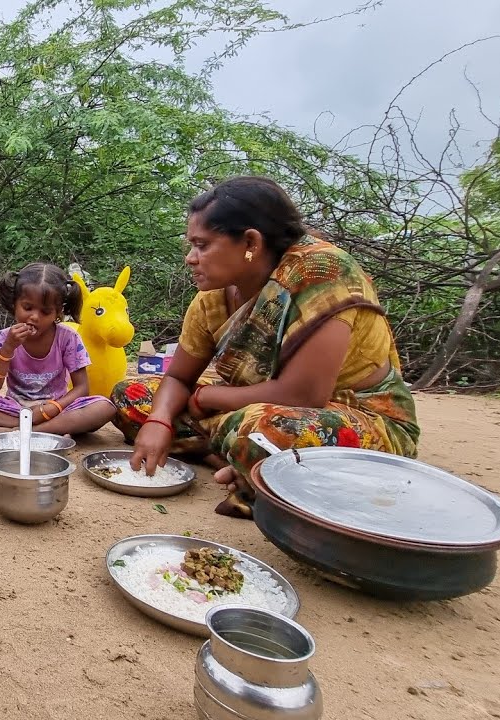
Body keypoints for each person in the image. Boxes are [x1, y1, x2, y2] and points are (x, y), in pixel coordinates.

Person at [110, 176, 420, 518]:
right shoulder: (213, 298)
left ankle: (242, 454)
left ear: (251, 242)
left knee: (262, 429)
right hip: (247, 406)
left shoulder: (321, 272)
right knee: (133, 394)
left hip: (346, 415)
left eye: (202, 245)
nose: (190, 258)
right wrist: (160, 421)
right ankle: (241, 458)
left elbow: (303, 395)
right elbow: (179, 377)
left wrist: (205, 399)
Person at [0, 262, 116, 435]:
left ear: (58, 313)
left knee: (104, 407)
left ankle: (15, 431)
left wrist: (53, 407)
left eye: (45, 312)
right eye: (27, 308)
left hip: (56, 409)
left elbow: (82, 388)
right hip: (14, 409)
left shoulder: (67, 338)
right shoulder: (4, 338)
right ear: (14, 304)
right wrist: (8, 349)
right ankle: (38, 430)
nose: (34, 317)